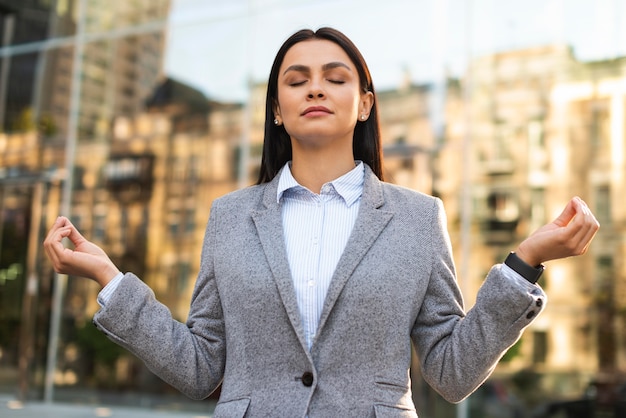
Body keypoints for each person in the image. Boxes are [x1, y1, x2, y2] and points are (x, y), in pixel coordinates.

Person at [44, 27, 600, 417]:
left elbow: (452, 373)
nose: (315, 87)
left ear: (363, 104)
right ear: (277, 109)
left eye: (335, 78)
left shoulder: (417, 217)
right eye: (296, 79)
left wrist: (524, 265)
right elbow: (199, 367)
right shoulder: (231, 217)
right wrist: (110, 281)